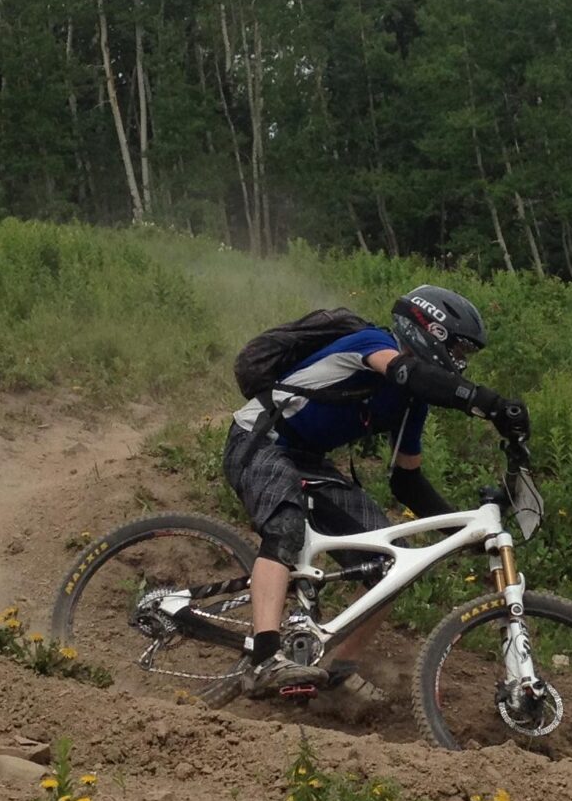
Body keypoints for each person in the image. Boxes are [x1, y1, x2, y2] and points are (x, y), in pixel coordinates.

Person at [224, 285, 529, 696]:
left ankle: (336, 672)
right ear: (429, 331)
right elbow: (409, 372)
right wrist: (485, 401)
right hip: (259, 437)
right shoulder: (373, 344)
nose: (460, 362)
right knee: (285, 526)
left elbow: (407, 482)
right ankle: (263, 659)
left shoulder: (410, 404)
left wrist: (463, 536)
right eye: (458, 350)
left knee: (387, 568)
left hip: (308, 459)